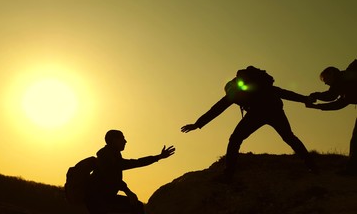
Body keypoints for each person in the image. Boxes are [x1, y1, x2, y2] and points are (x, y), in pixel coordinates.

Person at [181, 66, 316, 181]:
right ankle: (311, 165)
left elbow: (217, 109)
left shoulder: (236, 92)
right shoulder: (259, 86)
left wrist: (197, 124)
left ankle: (228, 174)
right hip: (275, 111)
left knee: (235, 139)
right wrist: (304, 99)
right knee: (289, 137)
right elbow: (282, 92)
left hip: (258, 113)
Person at [85, 129, 175, 214]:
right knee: (137, 206)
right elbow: (111, 177)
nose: (125, 141)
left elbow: (135, 163)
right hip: (97, 200)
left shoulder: (112, 155)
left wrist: (158, 157)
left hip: (103, 198)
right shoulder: (106, 157)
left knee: (136, 206)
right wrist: (128, 191)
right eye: (122, 138)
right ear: (114, 140)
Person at [306, 60, 357, 175]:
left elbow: (331, 97)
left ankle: (352, 170)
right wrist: (318, 105)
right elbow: (339, 102)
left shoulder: (344, 79)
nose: (325, 83)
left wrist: (315, 96)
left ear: (331, 74)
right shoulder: (344, 81)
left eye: (324, 79)